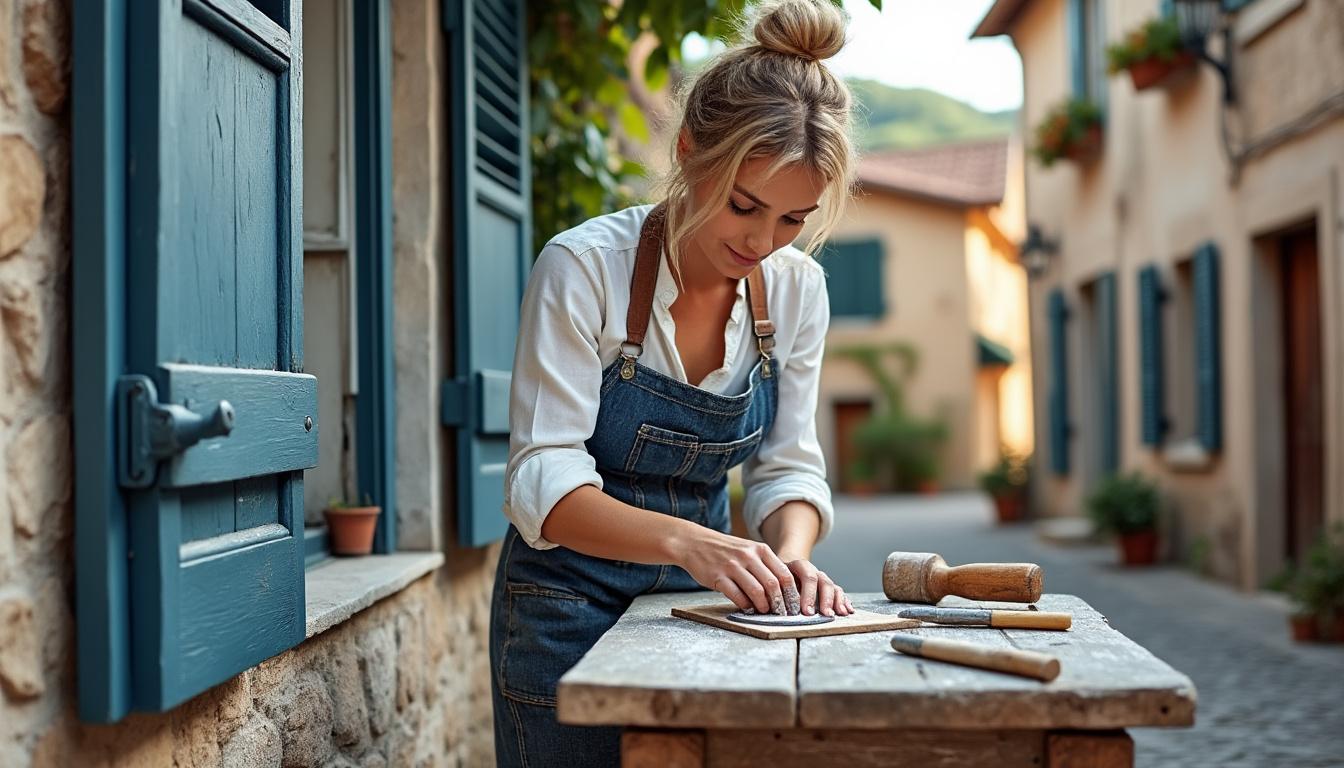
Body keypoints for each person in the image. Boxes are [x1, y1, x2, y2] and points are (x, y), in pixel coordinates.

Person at [489, 1, 857, 764]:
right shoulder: (584, 267)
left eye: (793, 219)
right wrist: (696, 543)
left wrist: (790, 555)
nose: (762, 241)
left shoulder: (796, 292)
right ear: (689, 151)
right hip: (565, 607)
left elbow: (787, 466)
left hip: (703, 610)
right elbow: (542, 482)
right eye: (745, 205)